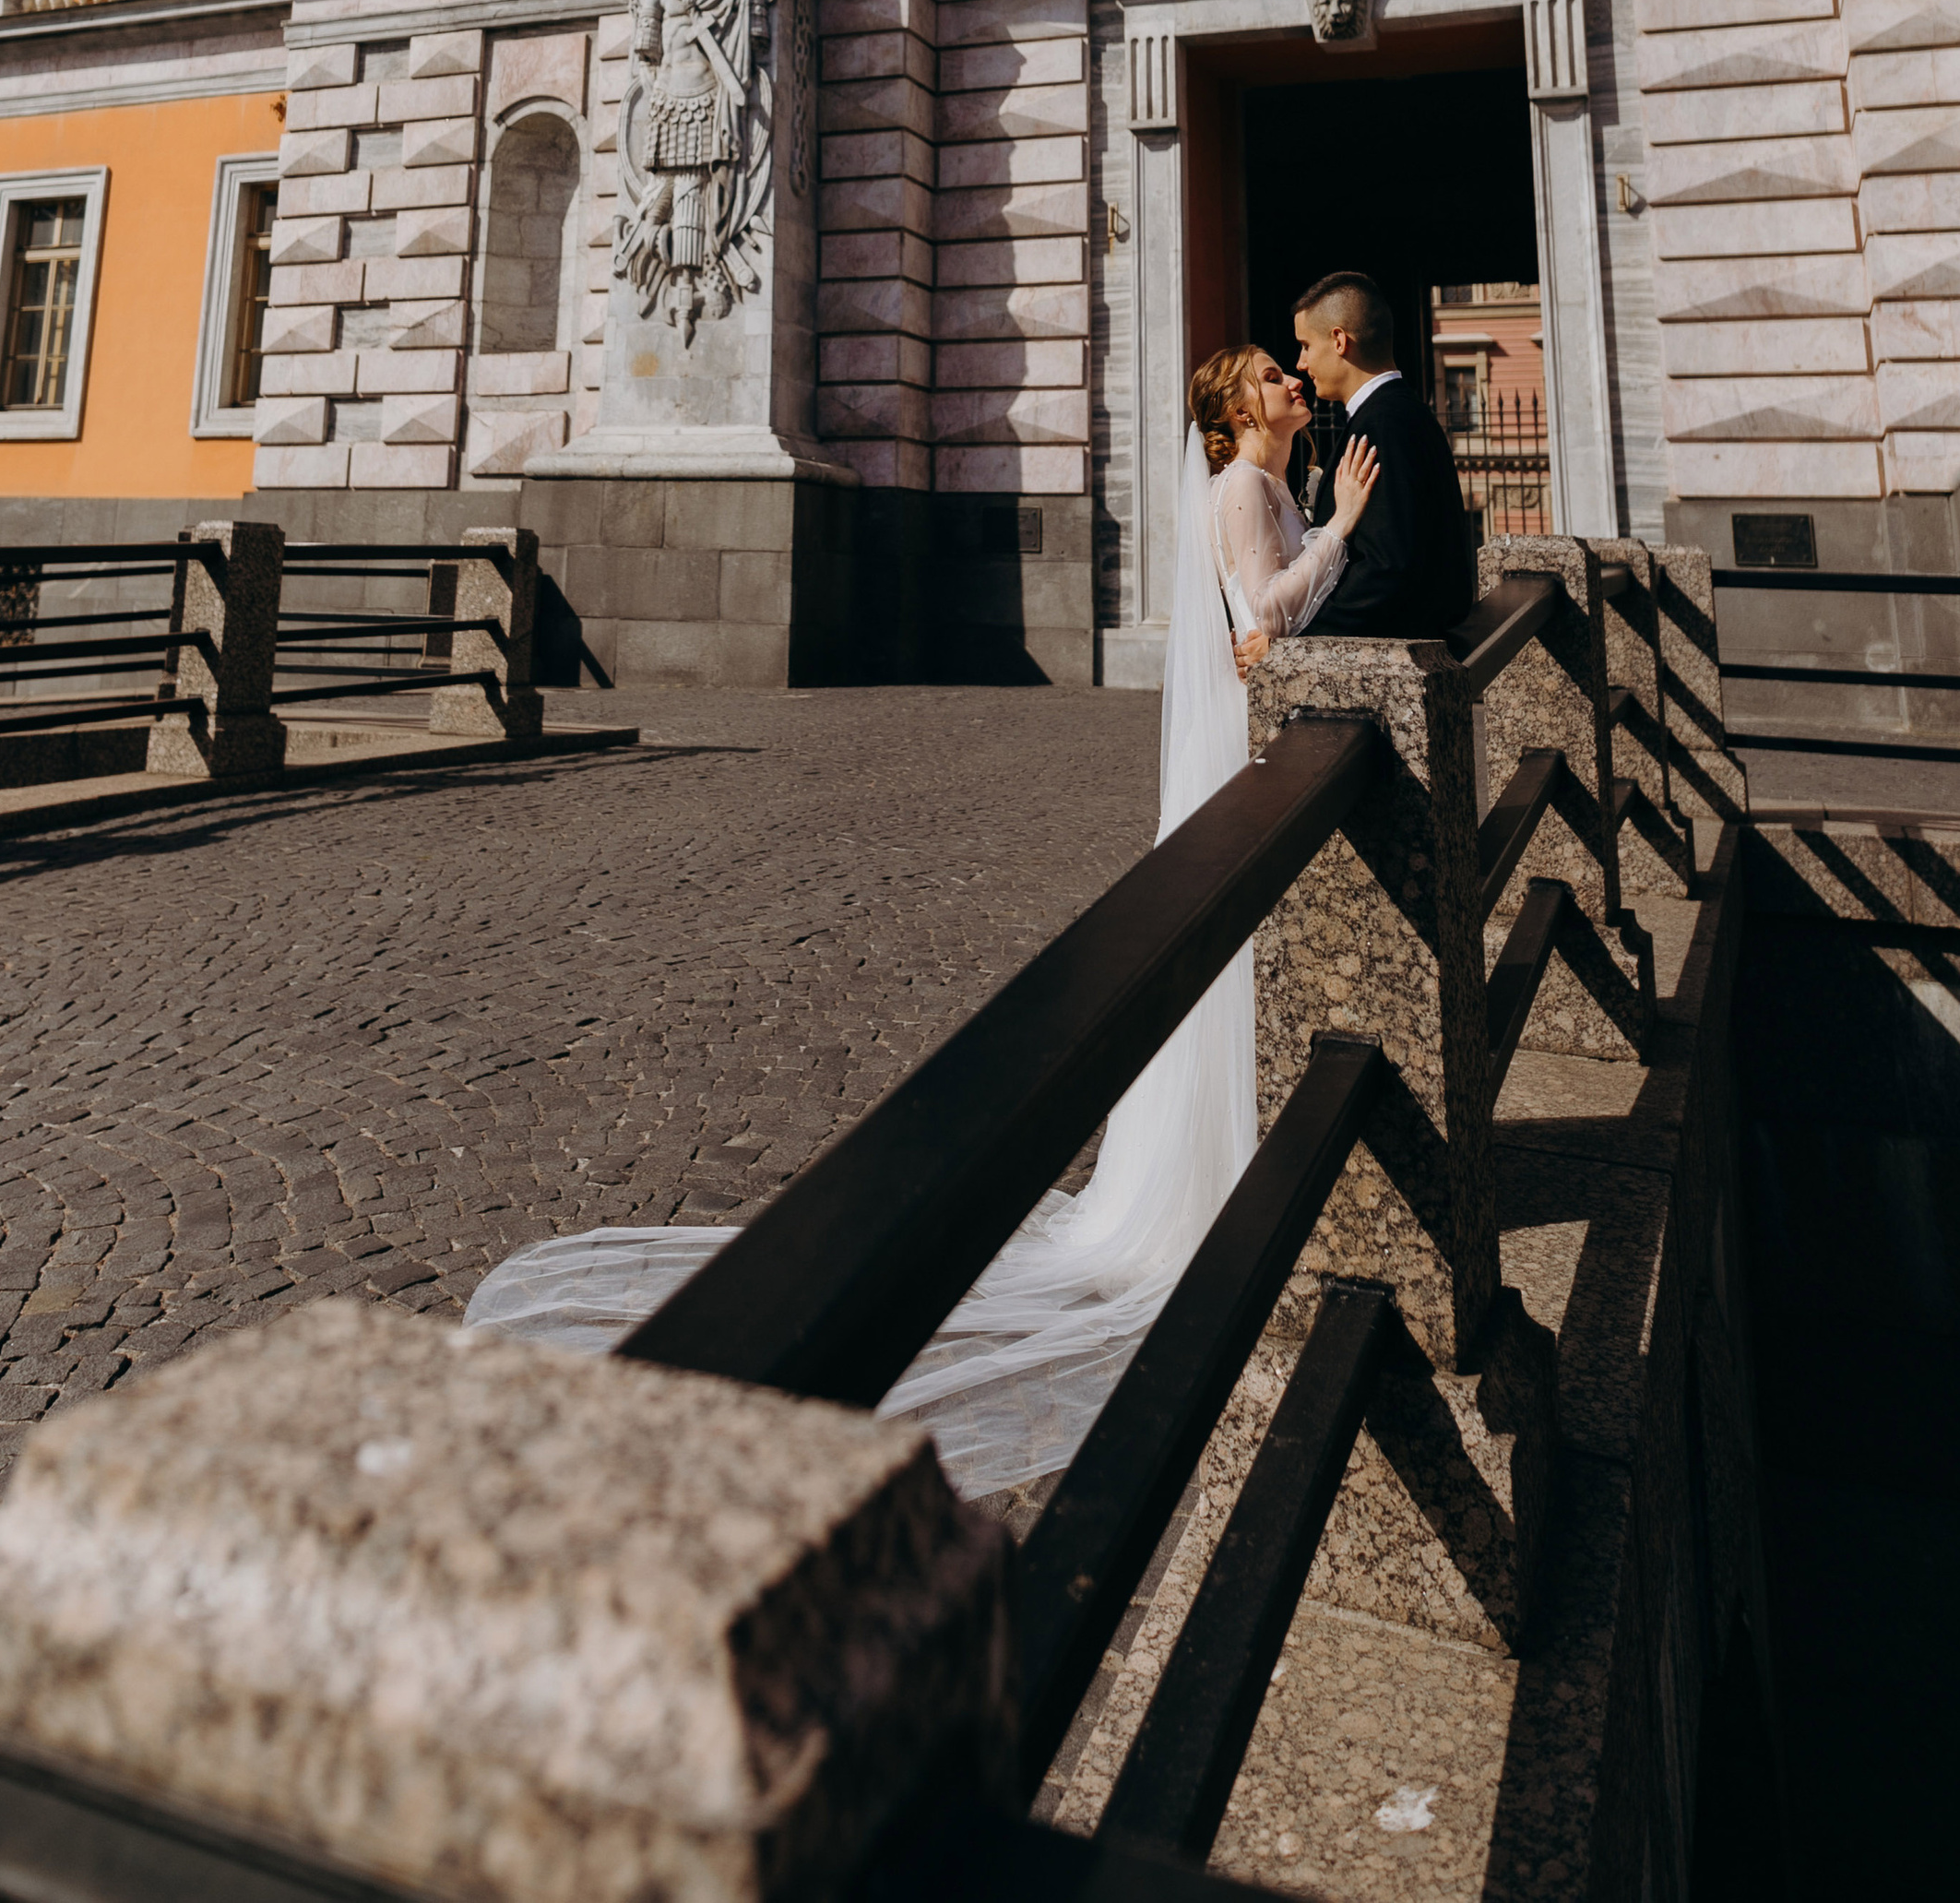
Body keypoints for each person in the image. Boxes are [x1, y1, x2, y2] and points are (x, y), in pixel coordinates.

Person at [459, 346, 1377, 1494]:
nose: (1290, 376)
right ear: (1231, 411)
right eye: (1265, 372)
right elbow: (1263, 616)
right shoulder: (1250, 490)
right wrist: (1340, 529)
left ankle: (1245, 1156)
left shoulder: (1270, 481)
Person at [1289, 267, 1478, 639]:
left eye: (1306, 345)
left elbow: (1387, 566)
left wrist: (1297, 638)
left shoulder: (1383, 423)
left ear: (1339, 340)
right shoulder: (1401, 411)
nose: (1301, 363)